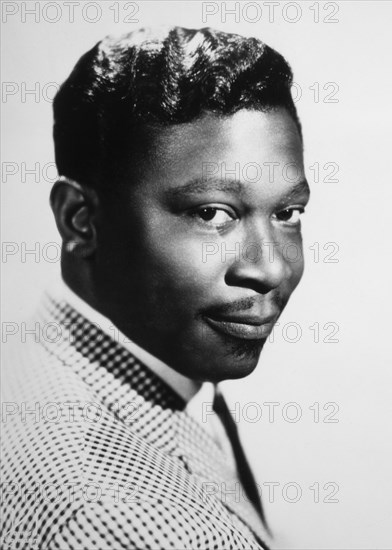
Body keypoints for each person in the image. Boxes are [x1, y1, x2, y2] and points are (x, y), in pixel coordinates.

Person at [1, 26, 309, 549]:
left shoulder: (38, 356)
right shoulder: (120, 516)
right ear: (80, 220)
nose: (271, 268)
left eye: (287, 212)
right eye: (212, 213)